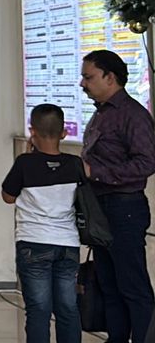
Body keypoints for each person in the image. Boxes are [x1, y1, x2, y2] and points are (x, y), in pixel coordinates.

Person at [80, 49, 155, 343]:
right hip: (101, 209)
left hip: (124, 208)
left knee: (132, 286)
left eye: (89, 77)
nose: (82, 84)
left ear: (110, 78)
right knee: (108, 284)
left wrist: (94, 171)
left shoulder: (133, 115)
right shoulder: (102, 113)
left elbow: (147, 163)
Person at [1, 104, 81, 343]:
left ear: (32, 131)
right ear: (64, 133)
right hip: (68, 244)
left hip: (33, 243)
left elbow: (8, 196)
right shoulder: (75, 164)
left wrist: (31, 155)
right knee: (68, 308)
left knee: (39, 310)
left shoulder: (25, 163)